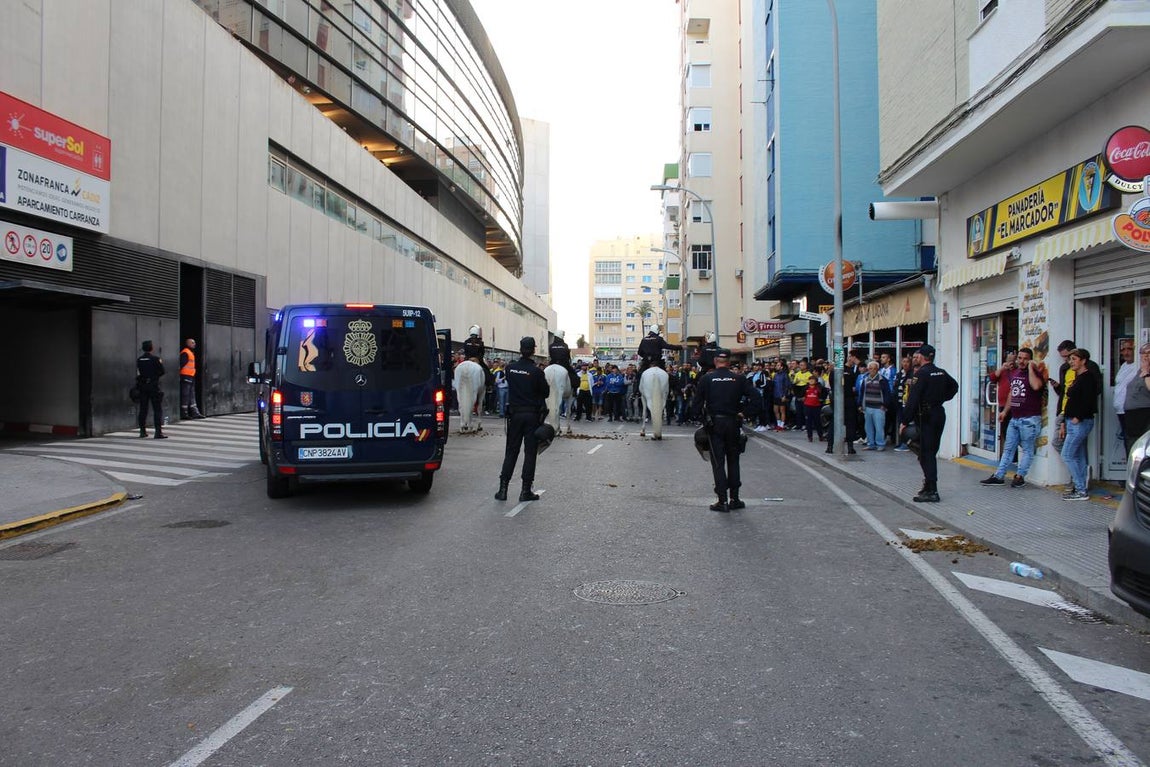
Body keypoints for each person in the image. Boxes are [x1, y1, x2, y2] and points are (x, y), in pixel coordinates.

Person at [690, 349, 761, 512]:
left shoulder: (707, 379)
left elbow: (696, 404)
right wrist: (745, 413)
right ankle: (735, 498)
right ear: (728, 362)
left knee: (718, 463)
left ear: (715, 361)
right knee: (734, 460)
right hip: (733, 422)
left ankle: (722, 501)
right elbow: (757, 399)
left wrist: (701, 419)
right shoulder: (739, 378)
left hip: (715, 424)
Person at [979, 347, 1046, 488]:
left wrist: (1032, 369)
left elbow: (1035, 386)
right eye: (1020, 358)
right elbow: (1012, 393)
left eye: (1025, 359)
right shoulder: (1016, 373)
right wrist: (1005, 411)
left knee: (1027, 449)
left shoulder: (1035, 374)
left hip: (1029, 419)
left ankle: (1020, 476)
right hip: (1015, 418)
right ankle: (999, 476)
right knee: (1008, 449)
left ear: (1030, 360)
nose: (1021, 361)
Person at [900, 344, 958, 503]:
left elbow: (913, 399)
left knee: (926, 454)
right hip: (938, 413)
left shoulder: (922, 374)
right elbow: (954, 387)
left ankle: (932, 490)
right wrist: (940, 399)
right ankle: (928, 485)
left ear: (923, 357)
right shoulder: (941, 372)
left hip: (926, 416)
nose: (915, 357)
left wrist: (904, 421)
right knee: (929, 451)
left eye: (918, 355)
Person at [495, 336, 550, 502]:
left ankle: (503, 489)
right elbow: (546, 393)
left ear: (520, 349)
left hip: (515, 414)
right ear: (533, 350)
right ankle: (525, 491)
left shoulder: (510, 369)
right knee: (530, 453)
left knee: (511, 451)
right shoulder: (536, 371)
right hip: (532, 415)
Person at [1060, 348, 1099, 501]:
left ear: (1083, 361)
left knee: (1067, 454)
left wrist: (1079, 416)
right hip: (1072, 420)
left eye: (1074, 359)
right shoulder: (1078, 376)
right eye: (1070, 359)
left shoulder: (1088, 377)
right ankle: (1081, 487)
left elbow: (1089, 400)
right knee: (1079, 455)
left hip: (1079, 421)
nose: (1071, 362)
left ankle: (1081, 489)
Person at [1049, 338, 1102, 451]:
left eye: (1069, 357)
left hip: (1079, 414)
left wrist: (1079, 415)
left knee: (1070, 451)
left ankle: (1079, 468)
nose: (1067, 360)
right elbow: (1065, 392)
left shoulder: (1088, 369)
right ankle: (1079, 468)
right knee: (1072, 449)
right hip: (1066, 411)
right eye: (1064, 357)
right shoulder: (1064, 368)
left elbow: (1092, 391)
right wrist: (1058, 387)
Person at [856, 360, 893, 450]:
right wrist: (860, 404)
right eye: (870, 368)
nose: (872, 370)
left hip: (879, 408)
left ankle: (880, 444)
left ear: (877, 369)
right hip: (868, 407)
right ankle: (871, 444)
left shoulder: (882, 380)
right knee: (868, 427)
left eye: (874, 368)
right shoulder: (865, 379)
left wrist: (885, 405)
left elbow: (887, 393)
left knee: (879, 427)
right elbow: (862, 392)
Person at [136, 340, 168, 439]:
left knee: (143, 409)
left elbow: (139, 373)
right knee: (157, 409)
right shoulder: (155, 359)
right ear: (152, 348)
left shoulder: (139, 360)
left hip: (143, 386)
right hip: (153, 386)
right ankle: (158, 432)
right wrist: (154, 377)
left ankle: (142, 431)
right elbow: (162, 371)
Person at [1123, 343, 1150, 455]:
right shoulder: (1140, 371)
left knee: (1144, 446)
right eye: (1143, 353)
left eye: (1148, 353)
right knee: (1132, 446)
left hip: (1145, 413)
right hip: (1132, 415)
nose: (1145, 356)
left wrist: (1146, 374)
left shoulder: (1146, 372)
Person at [1113, 338, 1138, 449]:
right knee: (1127, 440)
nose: (1126, 352)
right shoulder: (1124, 366)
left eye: (1129, 349)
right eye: (1123, 349)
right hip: (1121, 410)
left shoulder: (1138, 366)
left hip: (1131, 410)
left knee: (1132, 440)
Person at [179, 338, 205, 420]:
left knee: (191, 395)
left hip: (190, 376)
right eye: (192, 343)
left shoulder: (190, 353)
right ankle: (185, 413)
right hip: (185, 376)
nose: (194, 344)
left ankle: (194, 412)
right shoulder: (185, 352)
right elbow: (181, 364)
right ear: (188, 343)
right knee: (185, 395)